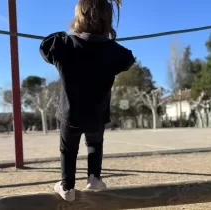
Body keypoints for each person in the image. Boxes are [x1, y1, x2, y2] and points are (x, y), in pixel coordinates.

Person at [39, 0, 135, 202]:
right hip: (96, 115)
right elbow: (128, 58)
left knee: (68, 149)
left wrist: (63, 35)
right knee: (95, 144)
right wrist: (108, 44)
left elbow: (45, 46)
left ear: (78, 19)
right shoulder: (113, 51)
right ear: (108, 21)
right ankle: (94, 178)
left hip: (70, 115)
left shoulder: (64, 45)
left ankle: (67, 187)